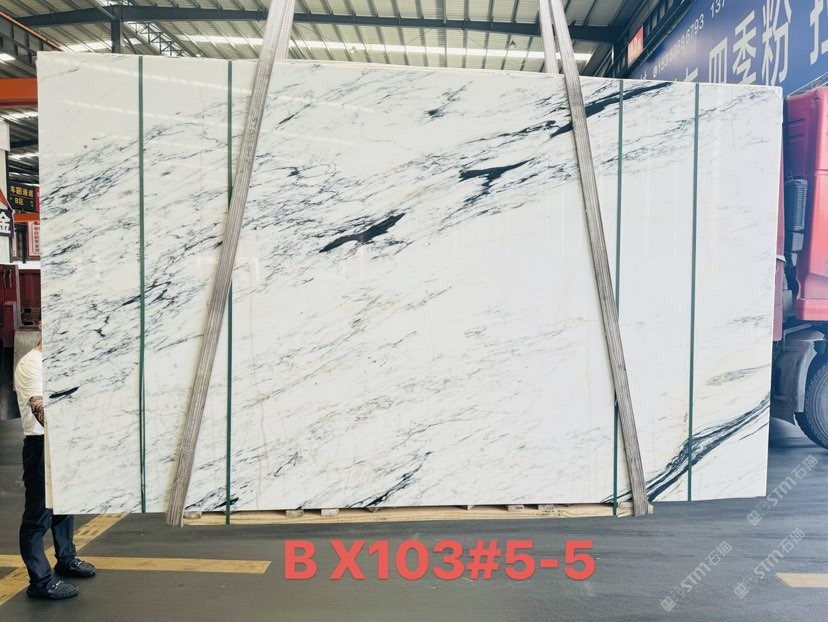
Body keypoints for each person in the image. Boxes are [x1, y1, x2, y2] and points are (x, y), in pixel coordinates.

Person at [15, 321, 96, 600]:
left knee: (65, 505)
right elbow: (39, 407)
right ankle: (40, 581)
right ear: (41, 325)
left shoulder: (63, 361)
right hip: (42, 444)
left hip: (64, 442)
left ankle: (66, 559)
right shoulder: (31, 364)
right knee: (38, 515)